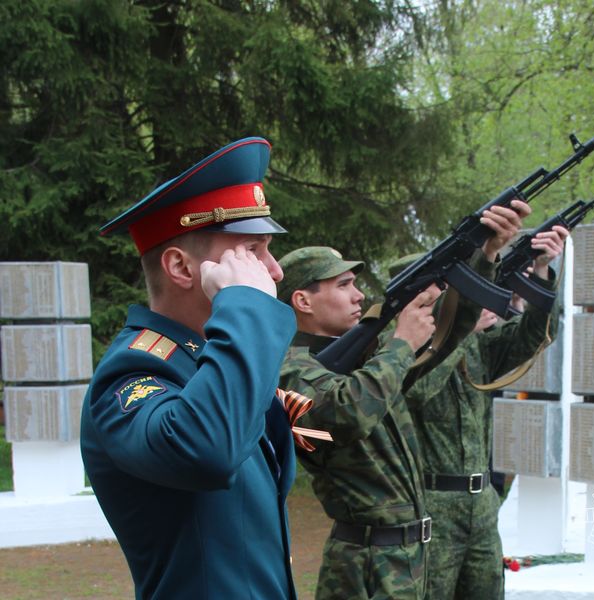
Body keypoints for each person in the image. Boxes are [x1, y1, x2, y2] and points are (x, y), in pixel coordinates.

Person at [80, 138, 299, 599]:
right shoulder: (133, 375)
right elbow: (207, 449)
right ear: (181, 267)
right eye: (253, 251)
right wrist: (245, 308)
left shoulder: (207, 360)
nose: (274, 271)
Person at [277, 200, 529, 600]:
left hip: (407, 556)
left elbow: (449, 340)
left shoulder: (364, 358)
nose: (358, 295)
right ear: (303, 301)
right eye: (343, 286)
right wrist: (400, 345)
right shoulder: (289, 370)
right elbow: (344, 415)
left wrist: (486, 256)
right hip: (364, 565)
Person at [400, 225, 568, 599]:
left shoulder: (478, 348)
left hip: (481, 506)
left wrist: (540, 271)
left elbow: (533, 337)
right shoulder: (400, 354)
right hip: (432, 508)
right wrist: (459, 330)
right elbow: (418, 394)